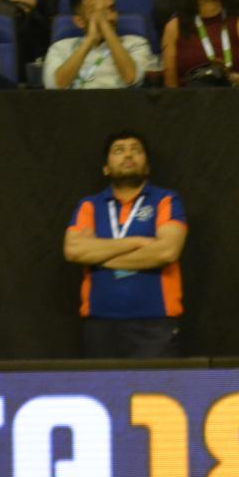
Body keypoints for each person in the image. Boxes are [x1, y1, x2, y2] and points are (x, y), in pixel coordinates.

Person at [62, 131, 189, 359]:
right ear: (106, 168)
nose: (128, 154)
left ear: (147, 167)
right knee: (105, 393)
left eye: (136, 150)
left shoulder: (165, 200)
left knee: (153, 393)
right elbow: (73, 251)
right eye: (119, 150)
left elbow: (168, 251)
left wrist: (98, 254)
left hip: (155, 324)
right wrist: (136, 242)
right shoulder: (89, 205)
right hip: (100, 324)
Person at [44, 0, 153, 89]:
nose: (110, 17)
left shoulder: (136, 44)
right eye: (96, 12)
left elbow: (133, 79)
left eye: (111, 9)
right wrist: (89, 40)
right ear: (79, 21)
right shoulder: (61, 48)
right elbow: (54, 86)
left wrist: (103, 24)